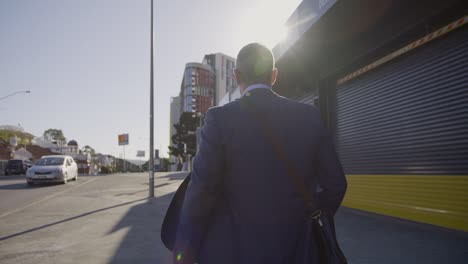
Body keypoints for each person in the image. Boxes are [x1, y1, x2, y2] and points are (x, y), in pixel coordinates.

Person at [173, 43, 347, 264]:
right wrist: (305, 216)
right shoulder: (310, 116)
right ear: (273, 75)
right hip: (302, 251)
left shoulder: (219, 119)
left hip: (238, 252)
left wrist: (184, 251)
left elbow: (201, 190)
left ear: (236, 76)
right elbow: (336, 185)